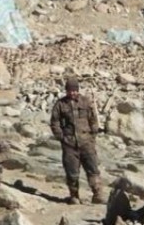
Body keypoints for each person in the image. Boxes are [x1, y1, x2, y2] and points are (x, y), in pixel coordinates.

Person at [50, 75, 106, 204]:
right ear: (66, 90)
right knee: (72, 172)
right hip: (69, 144)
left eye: (75, 90)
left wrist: (92, 135)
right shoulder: (60, 104)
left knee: (93, 169)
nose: (72, 93)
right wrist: (61, 137)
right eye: (70, 90)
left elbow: (93, 120)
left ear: (78, 90)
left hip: (87, 143)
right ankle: (74, 196)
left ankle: (97, 194)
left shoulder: (86, 102)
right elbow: (54, 122)